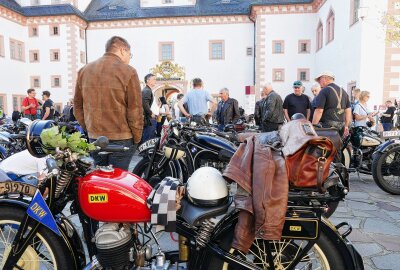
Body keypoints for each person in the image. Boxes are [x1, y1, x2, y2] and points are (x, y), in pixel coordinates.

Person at [74, 36, 143, 170]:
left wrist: (90, 129)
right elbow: (135, 110)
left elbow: (77, 107)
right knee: (118, 181)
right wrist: (137, 137)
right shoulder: (128, 71)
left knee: (100, 180)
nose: (129, 58)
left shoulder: (84, 71)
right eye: (130, 54)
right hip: (122, 136)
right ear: (123, 50)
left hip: (95, 137)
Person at [312, 71, 351, 137]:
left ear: (324, 78)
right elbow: (348, 111)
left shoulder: (324, 90)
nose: (318, 82)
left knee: (321, 147)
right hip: (341, 126)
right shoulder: (344, 91)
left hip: (327, 127)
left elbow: (319, 111)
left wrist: (313, 126)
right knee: (338, 146)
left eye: (319, 79)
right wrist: (346, 126)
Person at [141, 73, 156, 142]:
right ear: (148, 80)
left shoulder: (147, 90)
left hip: (148, 118)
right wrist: (151, 113)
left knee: (148, 137)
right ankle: (145, 152)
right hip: (148, 118)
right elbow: (144, 104)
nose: (155, 81)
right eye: (154, 79)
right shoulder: (147, 90)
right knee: (147, 138)